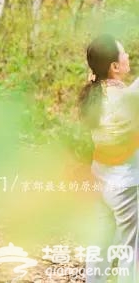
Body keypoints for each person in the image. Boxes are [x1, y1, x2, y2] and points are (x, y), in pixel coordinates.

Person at [79, 34, 139, 282]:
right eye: (123, 54)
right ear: (114, 67)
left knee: (100, 244)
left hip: (100, 178)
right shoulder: (125, 98)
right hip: (124, 184)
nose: (127, 57)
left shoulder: (95, 93)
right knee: (130, 249)